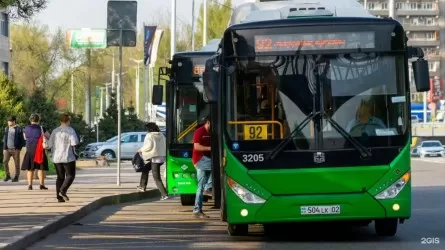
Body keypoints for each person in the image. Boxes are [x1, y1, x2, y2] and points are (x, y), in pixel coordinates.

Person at [48, 114, 79, 202]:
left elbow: (49, 144)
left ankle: (59, 197)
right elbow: (74, 143)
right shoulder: (70, 130)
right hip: (67, 157)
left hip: (56, 157)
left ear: (60, 121)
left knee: (60, 177)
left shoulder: (55, 131)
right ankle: (63, 190)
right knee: (70, 175)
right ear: (68, 121)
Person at [138, 122, 169, 200]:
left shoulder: (150, 135)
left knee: (157, 177)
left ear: (149, 129)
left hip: (155, 158)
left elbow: (148, 146)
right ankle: (142, 186)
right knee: (145, 168)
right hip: (161, 158)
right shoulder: (161, 135)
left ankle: (164, 194)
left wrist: (141, 149)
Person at [21, 114, 50, 190]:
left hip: (30, 150)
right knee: (40, 168)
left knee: (30, 168)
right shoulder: (41, 128)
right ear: (38, 120)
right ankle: (41, 185)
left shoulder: (25, 128)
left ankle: (30, 185)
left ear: (30, 120)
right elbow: (48, 136)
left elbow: (25, 138)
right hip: (39, 150)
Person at [192, 117, 212, 218]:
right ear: (208, 122)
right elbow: (197, 147)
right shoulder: (200, 131)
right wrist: (211, 148)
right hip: (200, 160)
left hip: (208, 159)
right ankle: (208, 188)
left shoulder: (212, 132)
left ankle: (197, 209)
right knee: (218, 167)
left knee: (201, 186)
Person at [3, 116, 25, 182]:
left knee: (17, 163)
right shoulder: (6, 128)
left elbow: (22, 140)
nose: (8, 122)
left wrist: (19, 148)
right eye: (8, 121)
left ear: (14, 121)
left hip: (16, 149)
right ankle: (7, 175)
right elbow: (5, 139)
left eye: (10, 121)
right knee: (5, 161)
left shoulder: (18, 129)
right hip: (7, 149)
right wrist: (4, 148)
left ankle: (16, 176)